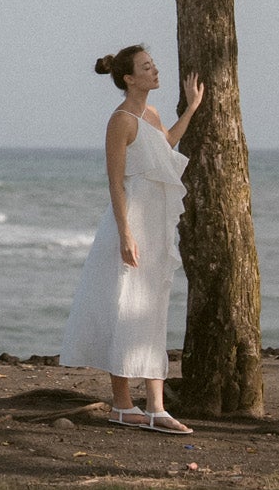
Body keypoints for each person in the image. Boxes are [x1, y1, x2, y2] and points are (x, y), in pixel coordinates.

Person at [59, 43, 204, 432]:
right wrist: (125, 234)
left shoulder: (152, 114)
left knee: (153, 308)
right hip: (131, 223)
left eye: (154, 65)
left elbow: (164, 147)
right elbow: (115, 182)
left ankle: (155, 406)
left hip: (157, 224)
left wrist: (190, 109)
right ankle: (123, 404)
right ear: (128, 78)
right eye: (146, 67)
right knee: (124, 307)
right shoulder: (120, 120)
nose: (155, 71)